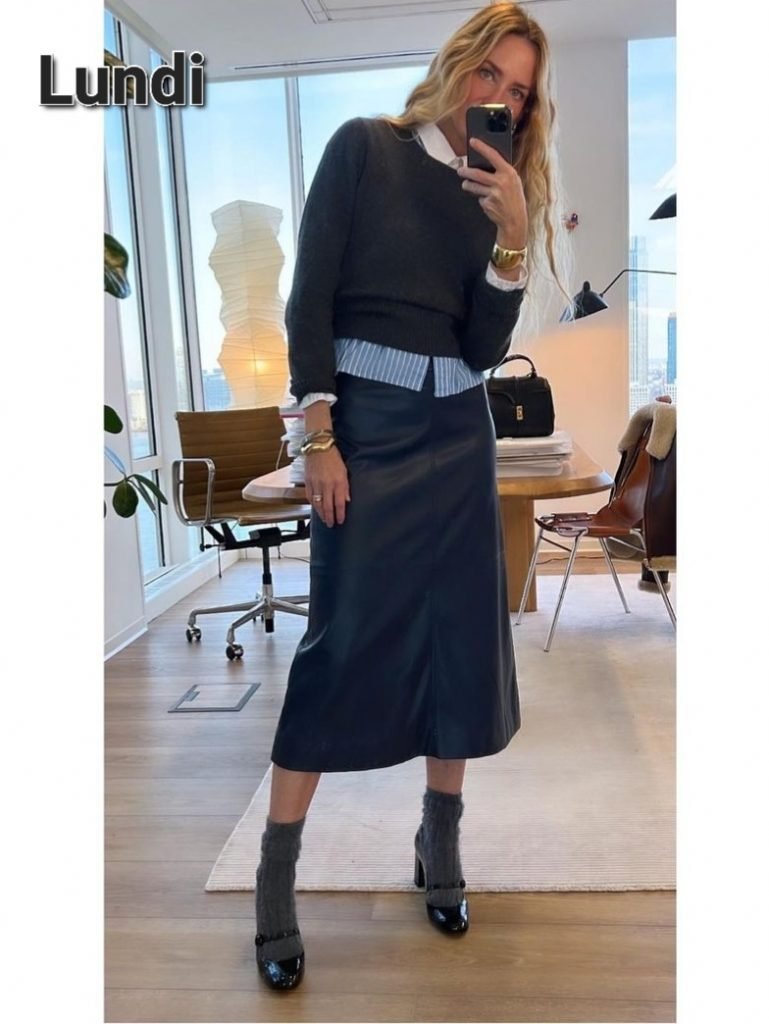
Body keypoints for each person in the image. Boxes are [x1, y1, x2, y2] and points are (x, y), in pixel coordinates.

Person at [254, 0, 570, 990]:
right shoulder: (364, 149)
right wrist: (318, 436)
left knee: (457, 644)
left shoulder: (495, 195)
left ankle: (439, 844)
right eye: (490, 73)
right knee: (338, 644)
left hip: (456, 436)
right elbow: (309, 298)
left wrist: (511, 240)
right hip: (366, 431)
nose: (498, 98)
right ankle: (275, 878)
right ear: (458, 61)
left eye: (518, 92)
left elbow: (479, 350)